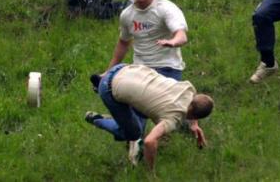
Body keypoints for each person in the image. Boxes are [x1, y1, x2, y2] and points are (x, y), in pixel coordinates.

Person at [85, 64, 213, 170]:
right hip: (108, 88)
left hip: (124, 69)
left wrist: (194, 125)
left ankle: (100, 81)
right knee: (134, 133)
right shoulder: (174, 118)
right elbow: (149, 141)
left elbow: (195, 104)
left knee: (143, 112)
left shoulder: (188, 88)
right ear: (195, 115)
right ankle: (99, 120)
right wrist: (150, 173)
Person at [105, 0, 189, 81]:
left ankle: (189, 98)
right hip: (140, 70)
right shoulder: (127, 14)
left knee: (158, 98)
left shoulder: (166, 8)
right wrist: (108, 72)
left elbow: (181, 35)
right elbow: (123, 43)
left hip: (167, 68)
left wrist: (172, 42)